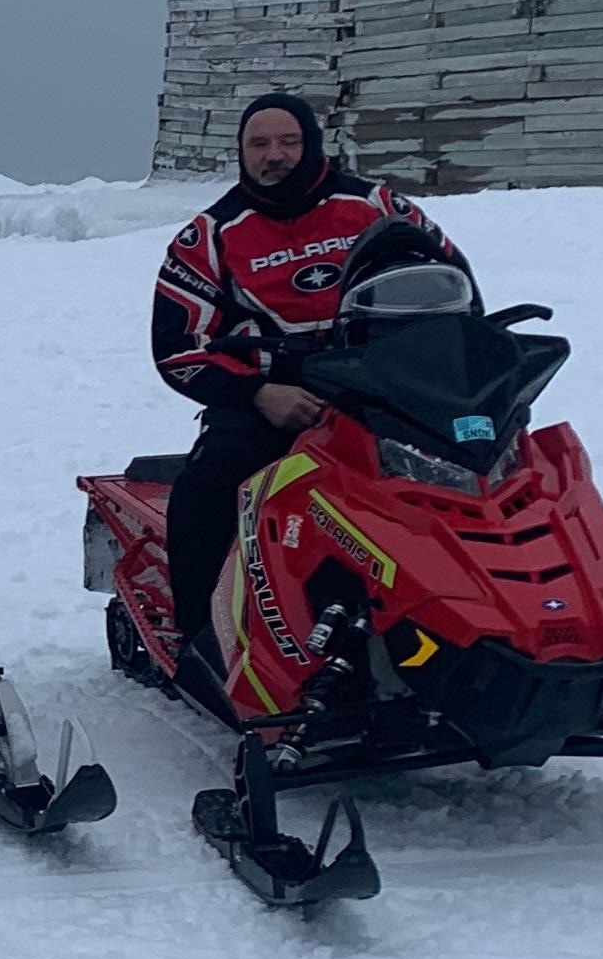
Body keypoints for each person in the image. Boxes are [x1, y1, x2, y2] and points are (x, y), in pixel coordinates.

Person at [149, 92, 459, 688]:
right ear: (240, 152)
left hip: (385, 391)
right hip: (275, 401)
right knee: (206, 491)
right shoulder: (209, 237)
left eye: (288, 142)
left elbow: (452, 290)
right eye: (260, 145)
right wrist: (258, 394)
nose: (276, 156)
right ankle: (203, 648)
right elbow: (178, 349)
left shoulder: (379, 209)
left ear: (312, 143)